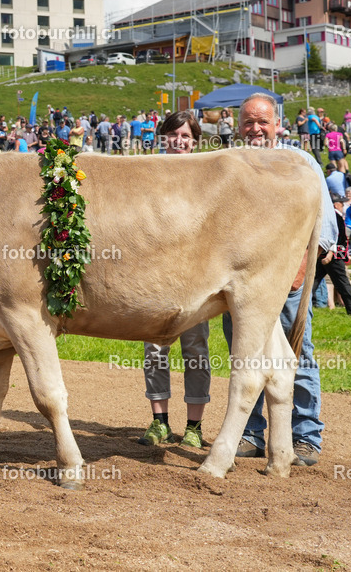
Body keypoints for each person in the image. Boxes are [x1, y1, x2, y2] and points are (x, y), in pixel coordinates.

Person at [226, 92, 351, 470]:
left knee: (296, 354)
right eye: (248, 122)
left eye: (262, 121)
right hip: (242, 281)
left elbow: (325, 225)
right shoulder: (232, 164)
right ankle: (249, 433)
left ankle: (305, 435)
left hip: (288, 279)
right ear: (238, 127)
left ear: (278, 125)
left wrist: (301, 269)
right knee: (243, 353)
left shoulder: (298, 162)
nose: (255, 129)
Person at [138, 111, 210, 449]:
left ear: (195, 142)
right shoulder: (149, 174)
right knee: (154, 348)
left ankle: (194, 427)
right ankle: (159, 422)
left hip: (197, 279)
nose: (179, 142)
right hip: (155, 278)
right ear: (162, 138)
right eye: (173, 135)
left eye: (186, 137)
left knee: (195, 349)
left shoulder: (208, 176)